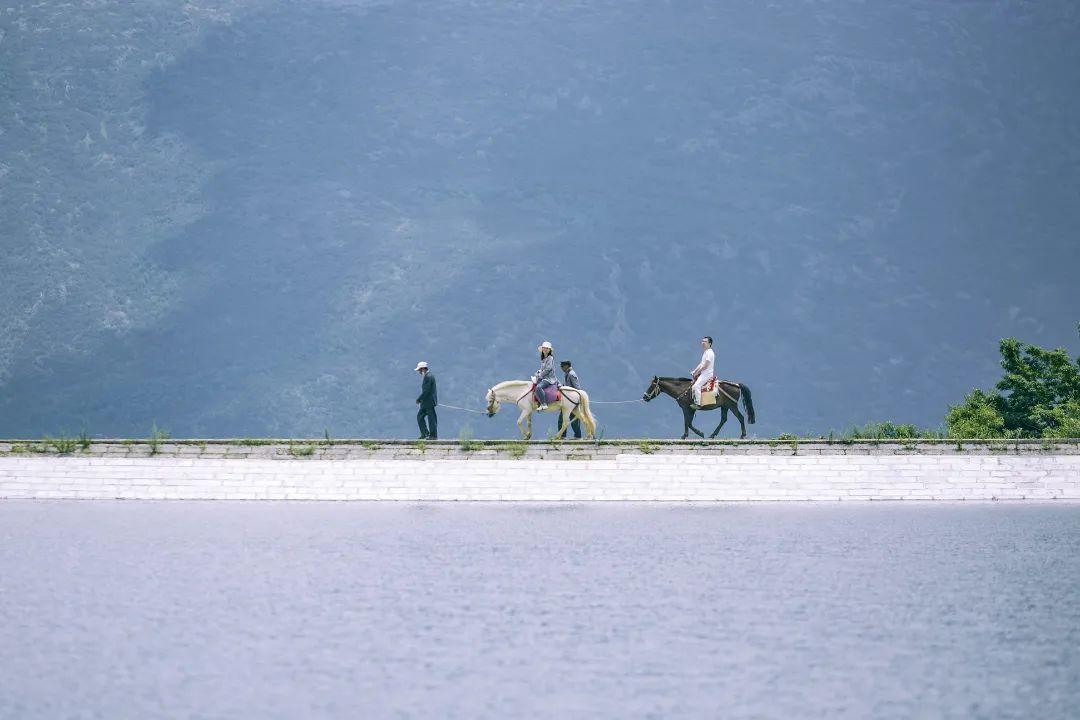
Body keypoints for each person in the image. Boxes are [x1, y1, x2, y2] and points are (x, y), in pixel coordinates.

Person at [557, 359, 583, 439]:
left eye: (562, 366)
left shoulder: (571, 374)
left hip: (572, 401)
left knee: (572, 419)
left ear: (566, 366)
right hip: (567, 401)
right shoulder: (567, 374)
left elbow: (577, 388)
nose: (561, 368)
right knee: (563, 419)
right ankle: (564, 435)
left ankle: (576, 436)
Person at [690, 336, 715, 409]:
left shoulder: (710, 353)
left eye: (705, 342)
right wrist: (694, 371)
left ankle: (698, 404)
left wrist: (697, 373)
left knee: (696, 386)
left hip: (707, 374)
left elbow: (705, 366)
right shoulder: (706, 352)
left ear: (710, 344)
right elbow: (701, 364)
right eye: (702, 341)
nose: (703, 343)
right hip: (704, 373)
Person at [415, 361, 438, 439]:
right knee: (427, 418)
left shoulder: (428, 377)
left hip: (428, 402)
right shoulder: (430, 376)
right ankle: (427, 434)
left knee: (428, 418)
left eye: (419, 370)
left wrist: (419, 399)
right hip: (428, 402)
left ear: (423, 369)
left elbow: (426, 391)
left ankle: (432, 435)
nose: (419, 372)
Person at [533, 341, 558, 411]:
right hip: (544, 377)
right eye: (544, 348)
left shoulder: (550, 358)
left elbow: (548, 369)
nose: (545, 350)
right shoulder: (544, 359)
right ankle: (540, 403)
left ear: (549, 350)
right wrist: (538, 372)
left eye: (547, 348)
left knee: (538, 387)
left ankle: (544, 404)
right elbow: (542, 369)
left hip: (549, 379)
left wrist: (540, 375)